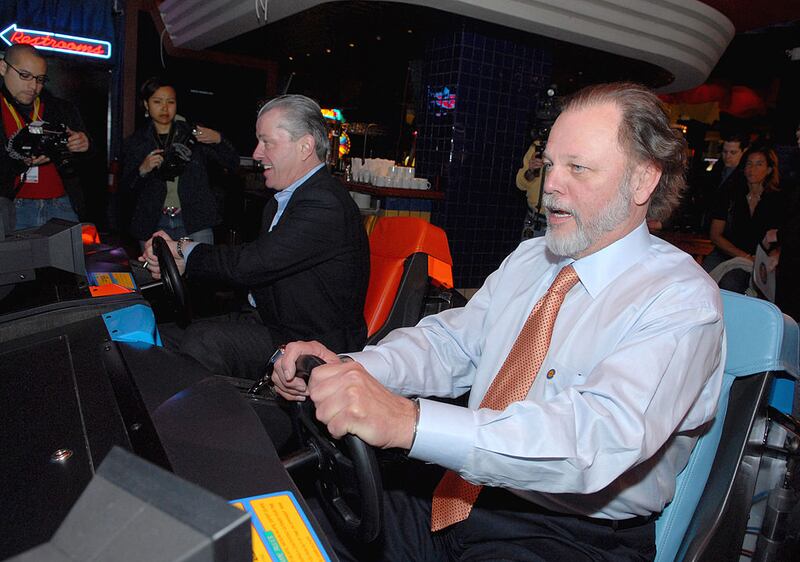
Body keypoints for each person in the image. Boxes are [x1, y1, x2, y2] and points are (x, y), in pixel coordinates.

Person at [273, 82, 725, 561]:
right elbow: (453, 346)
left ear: (643, 180)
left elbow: (593, 440)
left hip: (570, 534)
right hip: (457, 494)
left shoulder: (681, 299)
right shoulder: (532, 258)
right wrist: (349, 370)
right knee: (281, 532)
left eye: (578, 168)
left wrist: (409, 422)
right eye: (550, 165)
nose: (551, 185)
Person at [140, 94, 369, 381]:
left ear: (305, 146)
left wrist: (183, 248)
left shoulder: (325, 203)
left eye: (267, 142)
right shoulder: (282, 200)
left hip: (311, 341)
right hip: (270, 321)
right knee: (153, 338)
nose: (257, 153)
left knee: (203, 341)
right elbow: (257, 264)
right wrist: (183, 261)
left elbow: (250, 264)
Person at [120, 76, 238, 246]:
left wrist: (218, 139)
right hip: (152, 220)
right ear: (146, 104)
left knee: (201, 262)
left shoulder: (192, 135)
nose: (165, 108)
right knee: (155, 263)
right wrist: (142, 170)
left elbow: (233, 163)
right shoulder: (136, 142)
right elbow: (125, 190)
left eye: (171, 102)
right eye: (157, 102)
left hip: (195, 219)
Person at [0, 44, 91, 231]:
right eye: (25, 75)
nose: (33, 86)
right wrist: (20, 160)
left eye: (40, 79)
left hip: (61, 204)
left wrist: (84, 144)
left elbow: (89, 163)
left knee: (71, 251)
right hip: (12, 206)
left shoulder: (62, 109)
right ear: (3, 68)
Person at [704, 145, 787, 292]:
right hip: (726, 253)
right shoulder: (730, 194)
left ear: (769, 169)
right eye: (749, 164)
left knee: (733, 282)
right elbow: (715, 235)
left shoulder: (777, 200)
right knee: (702, 279)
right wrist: (744, 256)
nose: (752, 169)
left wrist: (767, 257)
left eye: (759, 164)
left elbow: (782, 236)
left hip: (761, 260)